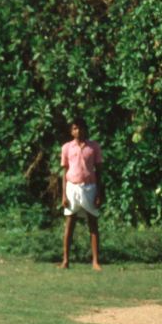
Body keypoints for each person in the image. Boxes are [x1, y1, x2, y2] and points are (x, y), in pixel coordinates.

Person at [59, 116, 102, 271]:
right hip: (72, 187)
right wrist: (64, 195)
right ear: (71, 131)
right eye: (75, 128)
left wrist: (99, 193)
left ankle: (95, 261)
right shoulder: (67, 147)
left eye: (81, 128)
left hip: (89, 187)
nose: (78, 131)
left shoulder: (93, 147)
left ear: (85, 129)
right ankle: (66, 260)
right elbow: (64, 172)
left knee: (93, 223)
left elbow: (99, 171)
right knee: (70, 223)